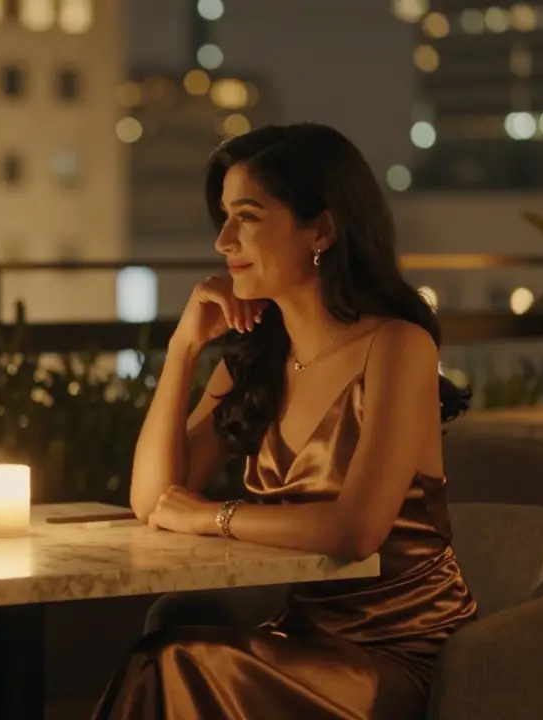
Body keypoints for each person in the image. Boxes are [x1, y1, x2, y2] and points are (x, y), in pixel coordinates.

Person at [96, 123, 477, 719]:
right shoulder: (259, 359)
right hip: (301, 643)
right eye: (224, 217)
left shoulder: (397, 347)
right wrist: (182, 350)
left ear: (321, 229)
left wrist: (210, 517)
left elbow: (356, 531)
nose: (223, 240)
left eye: (247, 217)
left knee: (173, 664)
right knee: (167, 655)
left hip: (401, 655)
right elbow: (153, 499)